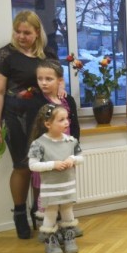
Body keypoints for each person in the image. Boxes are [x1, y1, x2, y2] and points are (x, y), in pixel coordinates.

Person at [0, 10, 62, 239]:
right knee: (22, 166)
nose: (21, 36)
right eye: (17, 32)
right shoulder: (4, 56)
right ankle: (19, 214)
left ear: (37, 32)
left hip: (44, 119)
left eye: (27, 32)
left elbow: (57, 82)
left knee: (43, 167)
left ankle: (40, 211)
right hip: (16, 118)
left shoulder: (48, 54)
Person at [29, 59, 81, 240]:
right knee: (47, 193)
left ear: (60, 80)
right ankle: (48, 229)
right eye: (40, 79)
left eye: (49, 79)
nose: (43, 83)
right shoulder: (36, 102)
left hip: (65, 154)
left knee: (65, 190)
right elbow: (36, 130)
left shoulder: (67, 100)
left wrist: (74, 150)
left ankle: (67, 225)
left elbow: (75, 127)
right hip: (48, 156)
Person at [27, 104, 84, 253]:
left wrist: (72, 159)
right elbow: (33, 165)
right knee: (51, 213)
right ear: (48, 124)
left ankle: (69, 236)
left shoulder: (71, 141)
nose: (67, 122)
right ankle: (50, 239)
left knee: (67, 210)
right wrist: (53, 164)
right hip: (50, 188)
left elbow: (81, 158)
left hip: (68, 186)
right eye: (61, 119)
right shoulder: (38, 144)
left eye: (67, 118)